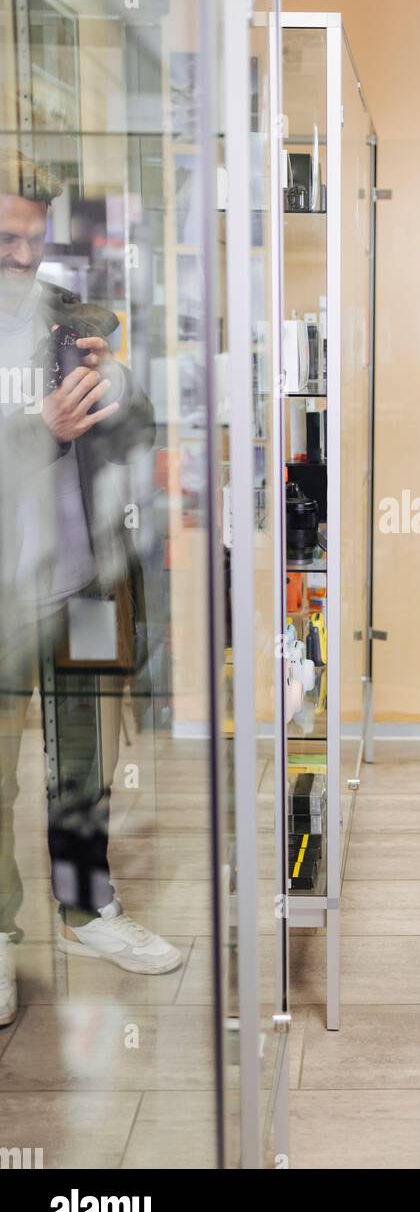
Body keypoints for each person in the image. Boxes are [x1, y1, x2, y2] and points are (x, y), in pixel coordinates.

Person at [0, 151, 181, 1029]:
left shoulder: (67, 318)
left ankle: (85, 910)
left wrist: (115, 385)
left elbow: (138, 429)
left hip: (85, 582)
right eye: (6, 237)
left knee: (83, 769)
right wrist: (34, 426)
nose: (21, 255)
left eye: (33, 238)